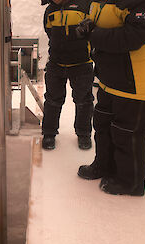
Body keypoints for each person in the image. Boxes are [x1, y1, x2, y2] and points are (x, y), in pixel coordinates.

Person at [76, 0, 145, 196]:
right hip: (109, 79)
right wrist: (88, 25)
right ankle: (104, 166)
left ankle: (130, 182)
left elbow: (132, 37)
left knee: (127, 134)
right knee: (103, 126)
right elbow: (104, 22)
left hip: (133, 83)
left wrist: (93, 33)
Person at [41, 0, 94, 150]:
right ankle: (49, 133)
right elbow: (49, 31)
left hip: (81, 63)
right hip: (56, 63)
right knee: (52, 100)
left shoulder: (84, 6)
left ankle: (84, 134)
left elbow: (93, 30)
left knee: (84, 101)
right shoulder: (50, 10)